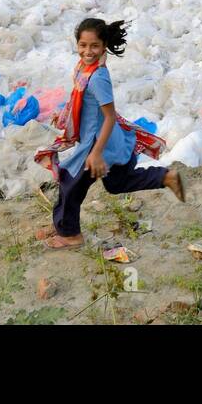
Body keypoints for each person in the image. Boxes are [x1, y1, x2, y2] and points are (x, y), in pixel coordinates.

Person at [35, 18, 184, 250]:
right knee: (115, 183)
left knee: (69, 181)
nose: (88, 51)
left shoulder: (97, 79)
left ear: (103, 46)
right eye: (83, 45)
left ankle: (70, 234)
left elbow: (109, 116)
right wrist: (65, 113)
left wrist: (95, 154)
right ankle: (165, 177)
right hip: (103, 140)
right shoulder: (85, 68)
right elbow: (80, 93)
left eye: (94, 46)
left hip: (99, 144)